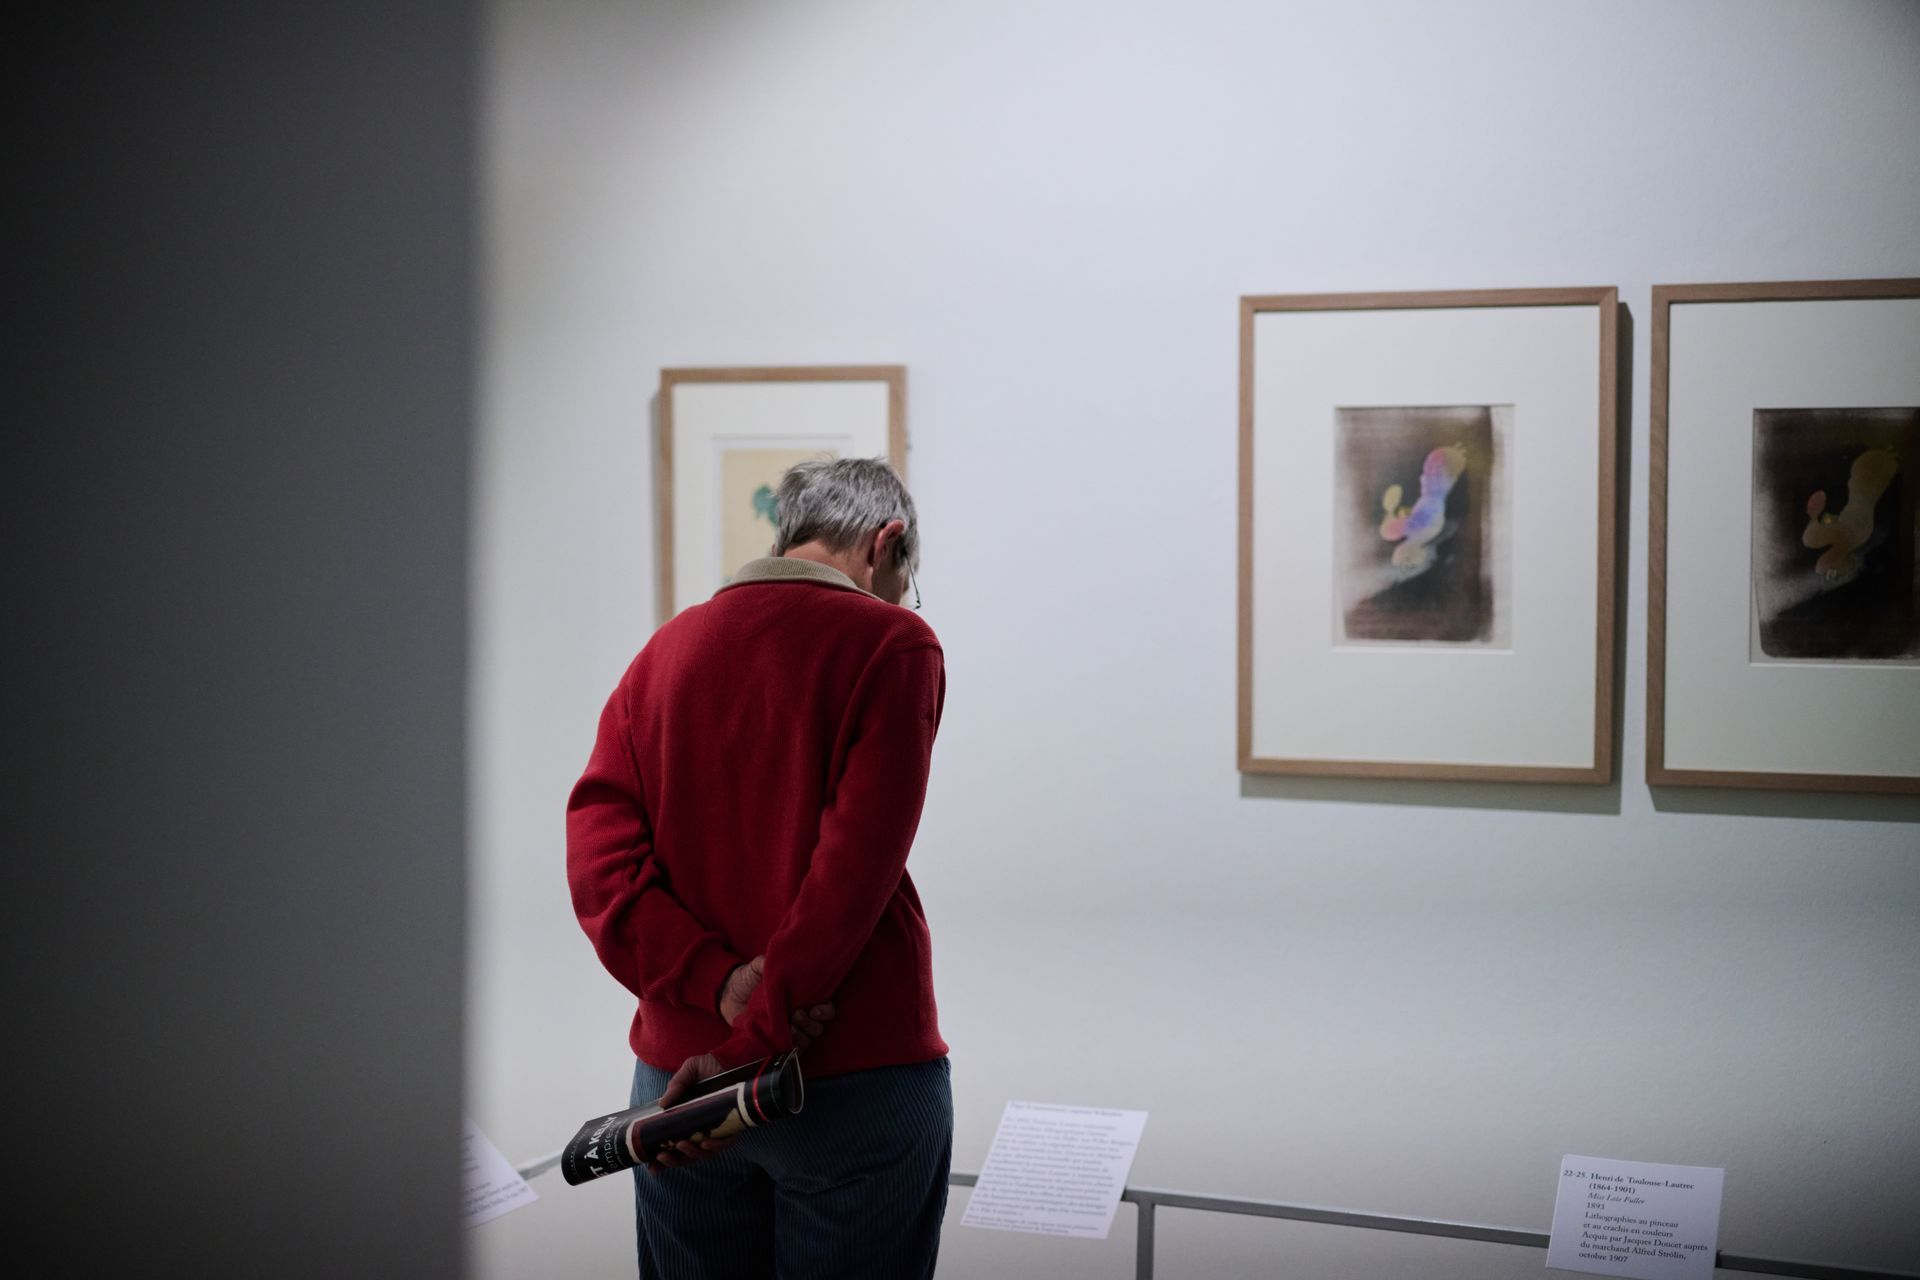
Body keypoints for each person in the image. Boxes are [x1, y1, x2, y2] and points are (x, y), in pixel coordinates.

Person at [566, 456, 951, 1279]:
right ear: (887, 543)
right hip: (845, 1073)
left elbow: (599, 862)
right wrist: (762, 1034)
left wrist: (714, 983)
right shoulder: (893, 643)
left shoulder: (663, 654)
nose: (904, 600)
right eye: (906, 578)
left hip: (678, 1088)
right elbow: (851, 876)